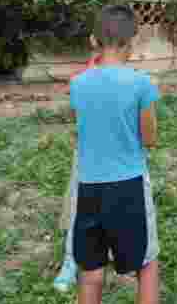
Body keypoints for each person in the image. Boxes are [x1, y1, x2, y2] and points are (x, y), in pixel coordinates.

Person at [70, 5, 160, 304]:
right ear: (131, 41)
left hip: (88, 187)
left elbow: (80, 130)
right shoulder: (141, 83)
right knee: (146, 265)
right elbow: (150, 138)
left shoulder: (78, 84)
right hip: (129, 187)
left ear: (93, 40)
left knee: (90, 271)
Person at [53, 34, 105, 292]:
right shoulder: (83, 78)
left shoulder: (131, 77)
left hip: (120, 158)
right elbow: (78, 116)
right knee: (79, 205)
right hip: (89, 154)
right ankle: (70, 261)